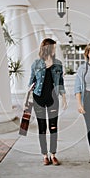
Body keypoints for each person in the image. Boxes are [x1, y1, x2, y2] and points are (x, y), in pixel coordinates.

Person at [28, 38, 67, 166]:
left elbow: (60, 82)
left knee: (53, 127)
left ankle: (53, 155)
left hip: (53, 99)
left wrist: (64, 98)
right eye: (53, 47)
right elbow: (31, 82)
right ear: (46, 48)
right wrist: (27, 98)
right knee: (42, 127)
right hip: (38, 98)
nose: (54, 49)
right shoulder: (36, 64)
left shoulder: (58, 64)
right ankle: (45, 155)